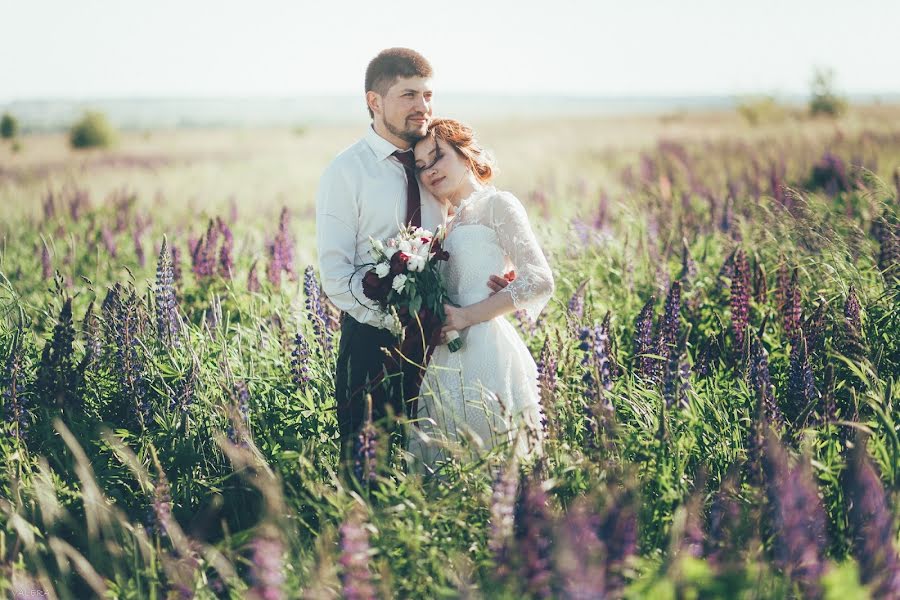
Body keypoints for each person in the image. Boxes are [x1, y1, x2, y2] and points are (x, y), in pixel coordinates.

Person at [315, 49, 511, 481]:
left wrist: (495, 277)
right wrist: (394, 320)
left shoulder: (433, 170)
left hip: (442, 345)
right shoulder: (346, 172)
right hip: (372, 343)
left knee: (438, 466)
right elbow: (334, 275)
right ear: (375, 102)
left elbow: (467, 236)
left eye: (427, 94)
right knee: (369, 471)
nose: (422, 106)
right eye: (408, 95)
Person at [408, 119, 554, 474]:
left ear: (465, 152)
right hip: (444, 356)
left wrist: (470, 315)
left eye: (438, 156)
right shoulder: (442, 224)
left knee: (494, 462)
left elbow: (538, 279)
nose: (430, 170)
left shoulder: (497, 204)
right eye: (422, 166)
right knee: (445, 466)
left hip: (486, 346)